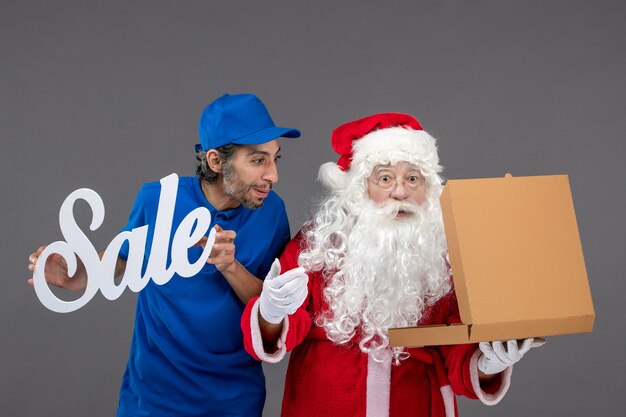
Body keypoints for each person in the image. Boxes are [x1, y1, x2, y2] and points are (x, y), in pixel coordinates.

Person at [241, 113, 544, 417]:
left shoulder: (446, 255)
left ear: (428, 187)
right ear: (360, 187)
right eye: (385, 178)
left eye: (413, 178)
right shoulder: (318, 244)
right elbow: (280, 335)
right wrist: (271, 313)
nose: (400, 192)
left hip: (416, 404)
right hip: (326, 403)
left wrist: (488, 364)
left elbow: (458, 351)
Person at [27, 93, 301, 417]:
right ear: (215, 161)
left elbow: (274, 307)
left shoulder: (272, 213)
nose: (273, 175)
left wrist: (230, 267)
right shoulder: (159, 200)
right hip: (153, 399)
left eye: (275, 159)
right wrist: (77, 277)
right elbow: (123, 258)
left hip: (233, 400)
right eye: (258, 160)